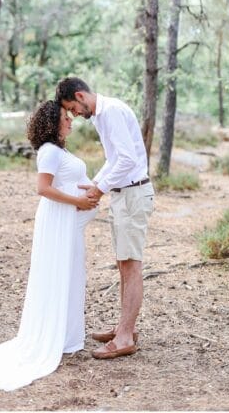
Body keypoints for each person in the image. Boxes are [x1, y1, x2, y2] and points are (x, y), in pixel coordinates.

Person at [0, 100, 99, 391]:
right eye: (66, 118)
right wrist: (79, 201)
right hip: (57, 221)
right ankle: (50, 335)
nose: (71, 122)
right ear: (53, 123)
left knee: (72, 276)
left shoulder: (61, 150)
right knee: (56, 274)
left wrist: (91, 192)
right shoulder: (49, 151)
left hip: (68, 223)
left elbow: (70, 181)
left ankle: (67, 335)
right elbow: (43, 188)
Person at [55, 77, 154, 360]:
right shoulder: (102, 115)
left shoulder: (109, 112)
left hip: (134, 195)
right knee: (123, 263)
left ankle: (125, 336)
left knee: (131, 264)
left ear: (79, 95)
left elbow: (127, 161)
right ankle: (125, 327)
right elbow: (115, 159)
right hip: (123, 195)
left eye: (73, 108)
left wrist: (99, 189)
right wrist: (95, 183)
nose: (74, 114)